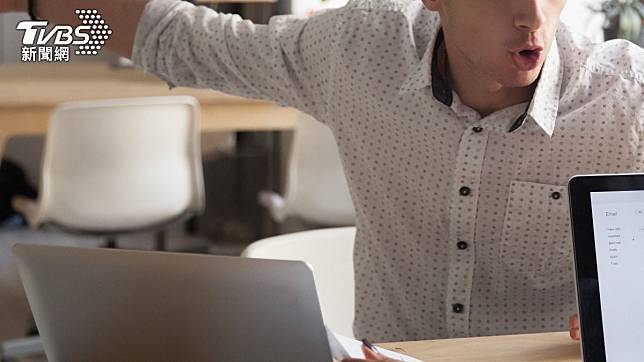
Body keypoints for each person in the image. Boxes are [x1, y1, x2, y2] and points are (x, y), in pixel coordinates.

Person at [2, 0, 642, 360]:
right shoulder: (358, 52)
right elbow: (174, 39)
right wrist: (30, 23)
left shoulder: (626, 97)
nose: (531, 15)